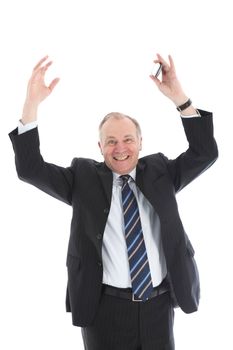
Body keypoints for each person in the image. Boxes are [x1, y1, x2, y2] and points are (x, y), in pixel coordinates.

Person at [9, 54, 218, 350]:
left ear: (140, 142)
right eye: (111, 141)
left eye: (128, 139)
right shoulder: (82, 178)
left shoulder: (161, 172)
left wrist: (180, 99)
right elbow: (30, 169)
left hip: (158, 306)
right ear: (100, 147)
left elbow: (204, 153)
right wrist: (31, 106)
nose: (120, 148)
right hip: (104, 310)